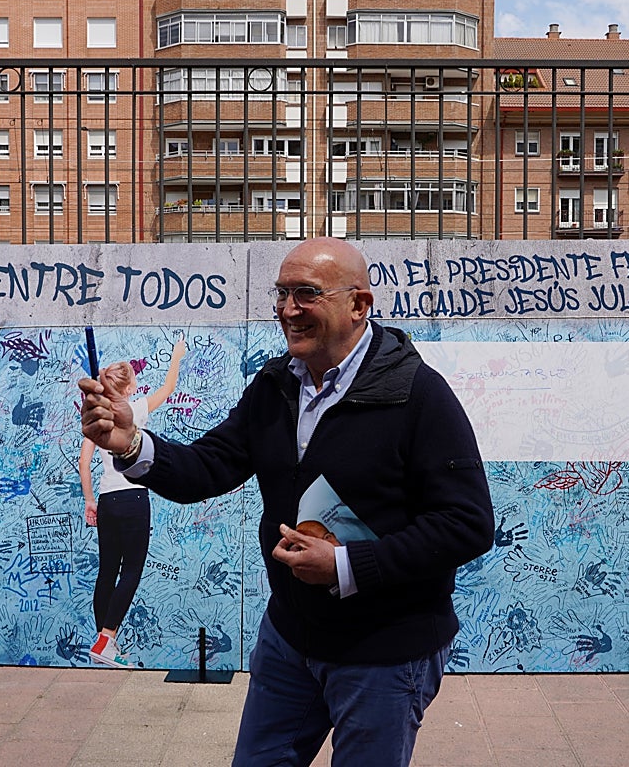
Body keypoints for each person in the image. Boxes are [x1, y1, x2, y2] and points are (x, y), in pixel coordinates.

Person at [79, 238, 495, 766]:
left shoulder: (417, 393)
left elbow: (467, 523)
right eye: (281, 294)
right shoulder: (275, 387)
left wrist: (346, 565)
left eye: (306, 293)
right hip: (289, 638)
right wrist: (133, 443)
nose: (287, 309)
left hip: (385, 649)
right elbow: (209, 466)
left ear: (358, 305)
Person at [78, 338, 186, 667]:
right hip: (134, 497)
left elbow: (84, 463)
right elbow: (168, 388)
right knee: (132, 570)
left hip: (108, 499)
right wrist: (176, 356)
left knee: (108, 570)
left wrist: (89, 501)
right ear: (128, 388)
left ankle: (102, 644)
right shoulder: (133, 409)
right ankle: (107, 640)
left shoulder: (97, 416)